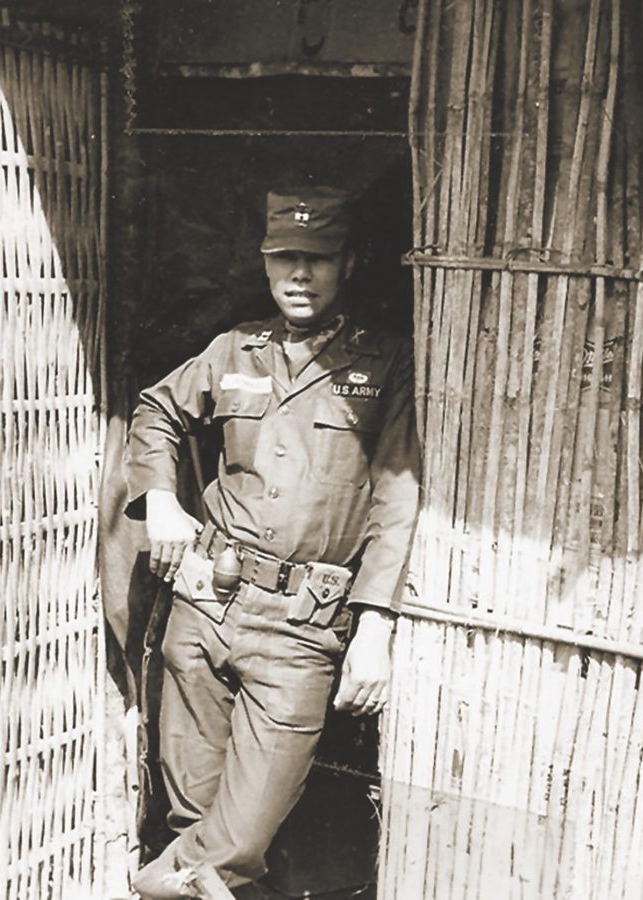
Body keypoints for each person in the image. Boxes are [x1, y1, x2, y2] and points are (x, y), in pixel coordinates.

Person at [124, 186, 421, 898]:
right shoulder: (236, 350)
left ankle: (147, 884)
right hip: (205, 609)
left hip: (300, 632)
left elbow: (398, 497)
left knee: (235, 844)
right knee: (193, 817)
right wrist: (161, 502)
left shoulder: (387, 362)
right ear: (264, 262)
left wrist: (375, 626)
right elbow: (157, 410)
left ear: (349, 263)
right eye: (285, 257)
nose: (300, 274)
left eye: (318, 259)